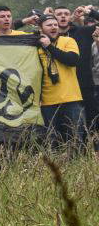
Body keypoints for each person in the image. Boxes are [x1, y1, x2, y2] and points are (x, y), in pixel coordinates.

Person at [37, 15, 85, 143]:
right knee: (51, 141)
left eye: (55, 25)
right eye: (49, 25)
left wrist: (49, 47)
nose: (53, 27)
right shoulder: (35, 45)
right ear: (40, 29)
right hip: (47, 102)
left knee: (75, 140)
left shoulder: (68, 41)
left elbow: (72, 60)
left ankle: (76, 163)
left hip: (71, 99)